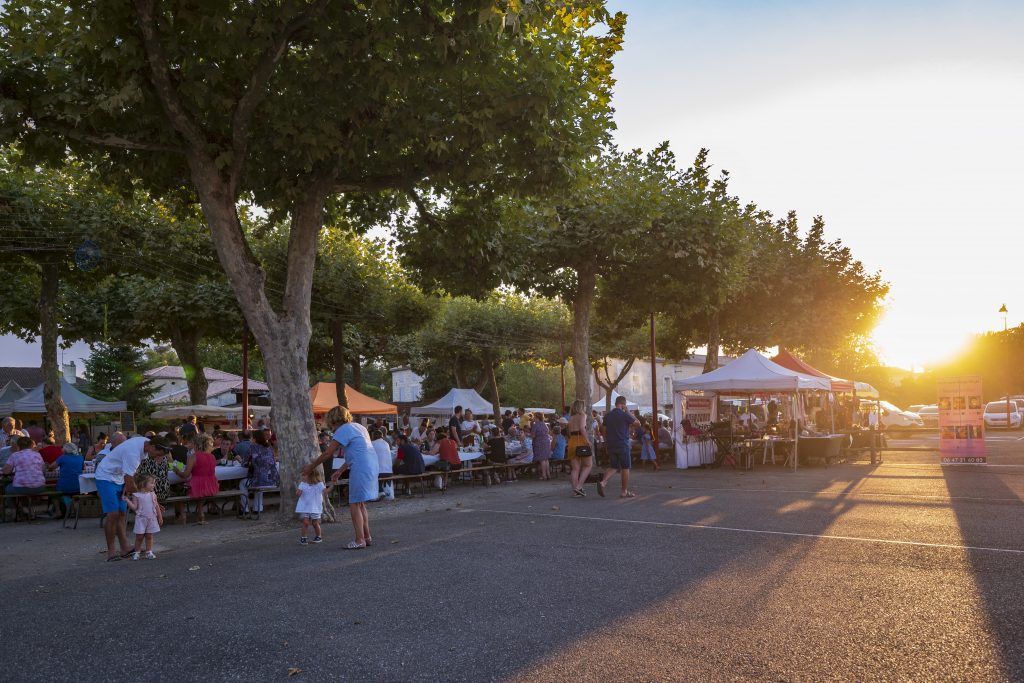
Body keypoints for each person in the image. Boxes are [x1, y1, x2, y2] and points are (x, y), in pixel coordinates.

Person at [304, 406, 378, 550]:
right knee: (360, 503)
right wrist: (340, 470)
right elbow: (357, 452)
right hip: (371, 465)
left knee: (354, 504)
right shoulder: (359, 427)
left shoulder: (343, 430)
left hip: (360, 467)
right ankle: (367, 537)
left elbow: (328, 453)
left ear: (333, 419)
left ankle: (360, 540)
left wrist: (311, 467)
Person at [94, 435, 170, 562]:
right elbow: (131, 485)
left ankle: (124, 548)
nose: (158, 458)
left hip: (119, 477)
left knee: (121, 513)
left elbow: (132, 474)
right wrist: (150, 502)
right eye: (158, 454)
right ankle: (111, 552)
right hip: (105, 477)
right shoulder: (133, 453)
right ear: (152, 447)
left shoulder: (144, 444)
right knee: (113, 514)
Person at [598, 395, 640, 498]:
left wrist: (606, 441)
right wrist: (628, 411)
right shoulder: (624, 414)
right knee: (625, 467)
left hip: (611, 444)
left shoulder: (608, 415)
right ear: (623, 404)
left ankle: (603, 482)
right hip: (622, 444)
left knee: (614, 466)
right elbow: (638, 424)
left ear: (615, 403)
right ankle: (624, 491)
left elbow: (603, 428)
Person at [176, 433, 220, 523]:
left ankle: (182, 515)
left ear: (196, 444)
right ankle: (201, 513)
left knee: (178, 489)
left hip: (197, 486)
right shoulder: (212, 457)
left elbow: (185, 475)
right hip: (211, 486)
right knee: (200, 490)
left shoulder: (193, 457)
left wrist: (176, 470)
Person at [239, 429, 279, 520]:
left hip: (260, 481)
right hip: (273, 481)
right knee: (259, 480)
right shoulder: (269, 448)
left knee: (243, 483)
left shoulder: (252, 447)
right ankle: (258, 508)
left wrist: (248, 462)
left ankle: (245, 509)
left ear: (254, 439)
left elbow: (244, 463)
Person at [125, 473, 163, 560]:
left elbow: (156, 506)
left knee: (149, 536)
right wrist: (127, 500)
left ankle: (149, 551)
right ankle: (137, 552)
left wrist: (160, 516)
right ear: (143, 484)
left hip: (151, 518)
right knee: (139, 537)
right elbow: (134, 507)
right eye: (152, 483)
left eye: (154, 483)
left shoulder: (152, 494)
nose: (154, 485)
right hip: (141, 519)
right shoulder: (136, 495)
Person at [296, 465, 331, 545]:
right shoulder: (302, 484)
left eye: (304, 475)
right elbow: (298, 493)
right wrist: (298, 492)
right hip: (305, 507)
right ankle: (303, 538)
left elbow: (325, 491)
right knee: (305, 522)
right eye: (302, 475)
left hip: (315, 507)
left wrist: (332, 485)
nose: (302, 477)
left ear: (311, 475)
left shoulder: (319, 484)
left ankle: (318, 536)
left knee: (315, 523)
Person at [567, 401, 593, 498]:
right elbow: (582, 428)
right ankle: (579, 486)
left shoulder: (571, 418)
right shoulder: (582, 415)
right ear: (581, 407)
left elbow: (569, 432)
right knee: (588, 465)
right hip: (581, 441)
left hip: (572, 442)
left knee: (575, 468)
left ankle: (575, 491)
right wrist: (587, 441)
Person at [52, 442, 84, 517]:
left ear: (65, 450)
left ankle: (58, 511)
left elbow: (52, 467)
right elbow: (83, 468)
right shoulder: (80, 457)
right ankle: (72, 509)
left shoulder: (62, 458)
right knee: (71, 493)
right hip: (78, 486)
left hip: (64, 487)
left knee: (54, 494)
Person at [371, 429, 393, 500]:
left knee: (368, 473)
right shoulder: (386, 443)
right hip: (389, 471)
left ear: (374, 436)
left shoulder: (372, 443)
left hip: (380, 472)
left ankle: (378, 492)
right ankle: (381, 491)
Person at [530, 413, 552, 480]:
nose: (533, 418)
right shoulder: (545, 424)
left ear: (537, 417)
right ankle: (548, 475)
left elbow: (533, 436)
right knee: (546, 459)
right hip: (547, 442)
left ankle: (544, 475)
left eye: (534, 417)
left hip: (539, 443)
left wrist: (528, 434)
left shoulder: (535, 425)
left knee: (542, 460)